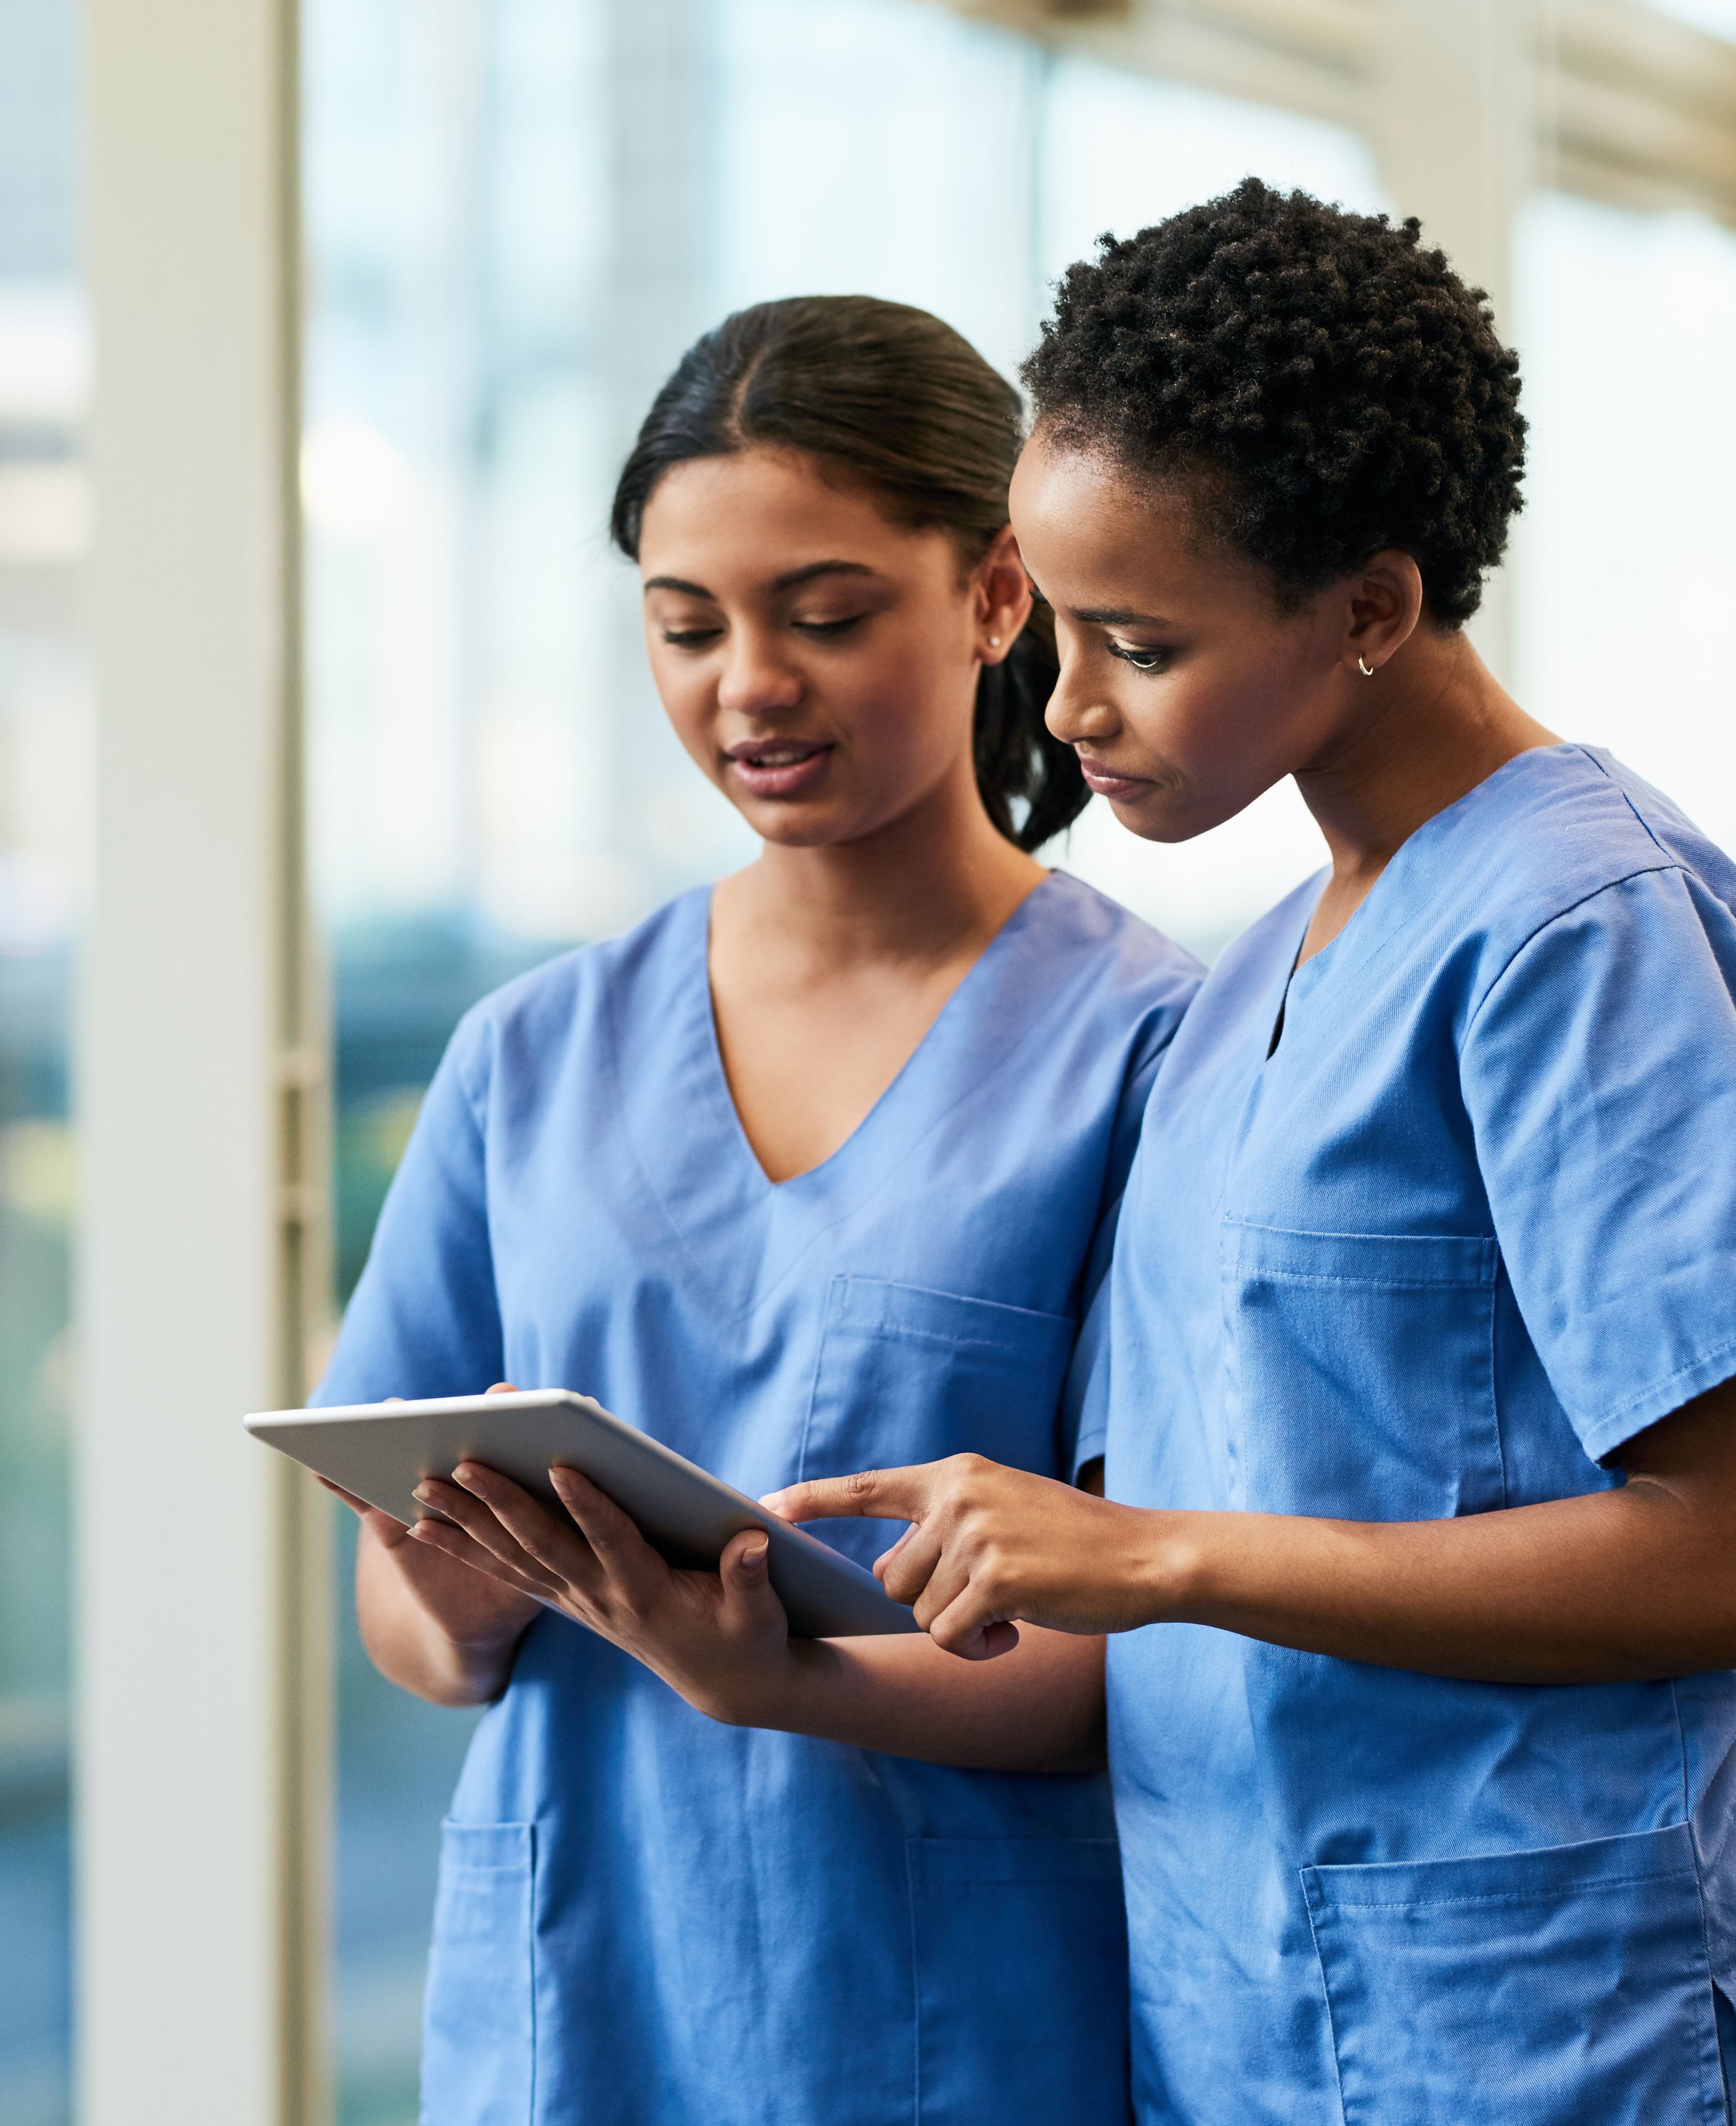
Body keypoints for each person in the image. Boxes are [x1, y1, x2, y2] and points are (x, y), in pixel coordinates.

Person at [770, 184, 1736, 2126]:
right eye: (1055, 625)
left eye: (1139, 641)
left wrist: (1157, 1554)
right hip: (1267, 2028)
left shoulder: (1580, 930)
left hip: (1579, 2029)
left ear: (1371, 610)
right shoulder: (1245, 990)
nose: (1068, 707)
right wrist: (778, 1640)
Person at [312, 294, 1199, 2126]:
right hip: (577, 2012)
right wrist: (462, 1600)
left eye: (825, 614)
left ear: (995, 594)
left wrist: (782, 1678)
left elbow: (1156, 1644)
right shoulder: (528, 1056)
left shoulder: (1146, 1051)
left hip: (951, 2028)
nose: (748, 687)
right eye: (686, 625)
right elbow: (404, 1625)